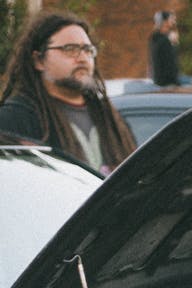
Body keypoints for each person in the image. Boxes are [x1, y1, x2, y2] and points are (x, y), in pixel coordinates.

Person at [0, 10, 136, 175]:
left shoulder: (109, 117)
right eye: (70, 49)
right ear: (38, 60)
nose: (82, 58)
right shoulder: (17, 118)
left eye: (87, 49)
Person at [149, 11, 182, 88]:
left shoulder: (156, 38)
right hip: (166, 82)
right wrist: (172, 43)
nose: (174, 22)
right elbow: (168, 62)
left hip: (167, 80)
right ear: (164, 22)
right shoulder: (161, 39)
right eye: (171, 19)